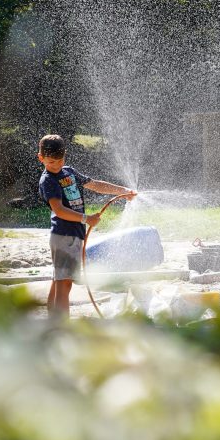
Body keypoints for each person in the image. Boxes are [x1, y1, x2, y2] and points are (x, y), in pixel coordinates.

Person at [37, 134, 136, 318]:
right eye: (51, 162)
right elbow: (58, 210)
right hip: (63, 236)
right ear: (41, 158)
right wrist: (86, 218)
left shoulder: (69, 172)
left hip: (73, 235)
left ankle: (53, 321)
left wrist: (122, 192)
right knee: (64, 283)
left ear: (64, 156)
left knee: (59, 280)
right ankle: (62, 326)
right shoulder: (48, 180)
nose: (56, 165)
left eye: (60, 160)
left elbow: (96, 185)